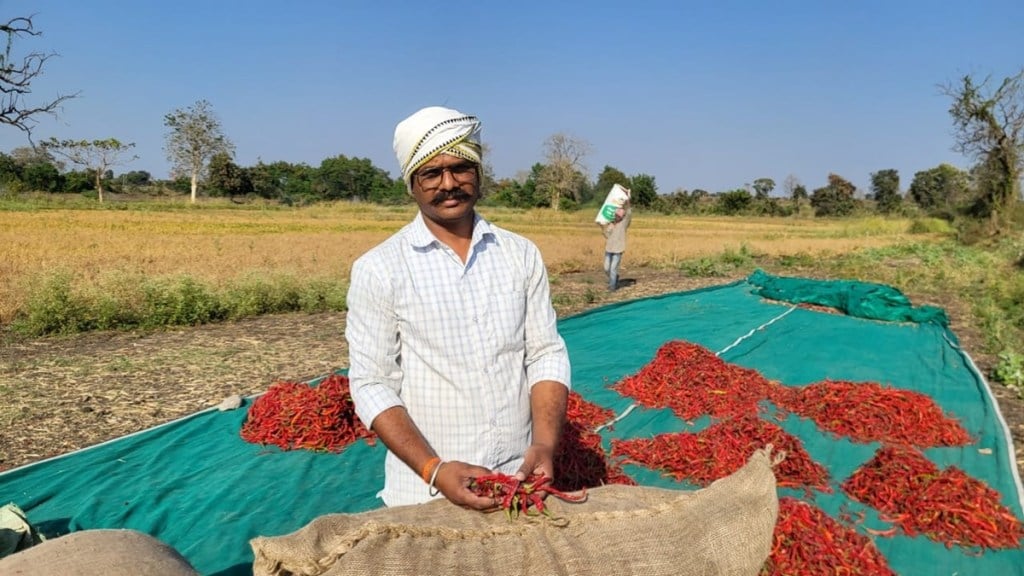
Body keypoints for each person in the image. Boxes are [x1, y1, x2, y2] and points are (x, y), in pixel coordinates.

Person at [345, 105, 572, 510]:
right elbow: (372, 383)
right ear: (411, 184)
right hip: (425, 491)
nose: (449, 184)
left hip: (518, 478)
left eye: (461, 169)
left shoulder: (519, 254)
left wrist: (544, 442)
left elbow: (545, 353)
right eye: (431, 173)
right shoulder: (379, 269)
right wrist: (434, 469)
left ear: (479, 174)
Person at [602, 192, 632, 291]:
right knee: (606, 269)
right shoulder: (611, 224)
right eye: (616, 215)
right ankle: (614, 278)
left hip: (618, 249)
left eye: (619, 216)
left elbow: (629, 213)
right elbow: (607, 236)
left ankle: (612, 287)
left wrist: (628, 200)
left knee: (613, 269)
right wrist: (602, 227)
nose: (617, 217)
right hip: (609, 248)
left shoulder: (624, 224)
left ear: (622, 217)